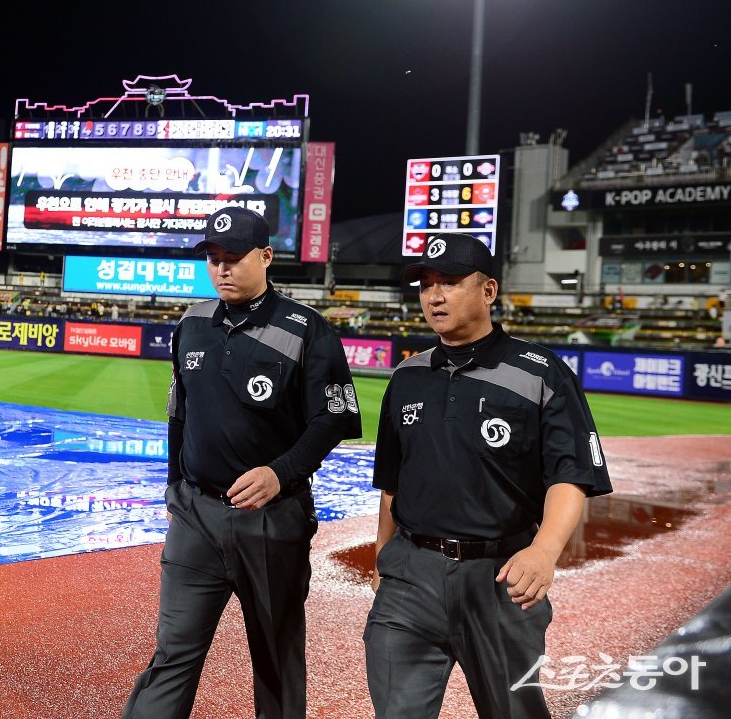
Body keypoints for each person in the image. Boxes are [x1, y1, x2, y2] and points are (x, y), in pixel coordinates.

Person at [123, 207, 362, 718]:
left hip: (272, 523)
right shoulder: (191, 324)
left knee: (276, 660)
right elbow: (178, 412)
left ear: (267, 257)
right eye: (213, 259)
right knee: (172, 654)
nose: (222, 269)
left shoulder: (307, 330)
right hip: (196, 517)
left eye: (234, 258)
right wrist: (174, 485)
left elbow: (335, 420)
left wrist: (280, 472)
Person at [364, 232, 613, 718]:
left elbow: (571, 474)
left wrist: (543, 552)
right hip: (411, 577)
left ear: (489, 291)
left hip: (499, 577)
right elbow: (393, 481)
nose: (434, 296)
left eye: (451, 283)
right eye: (425, 284)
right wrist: (382, 556)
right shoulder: (407, 376)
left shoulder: (541, 373)